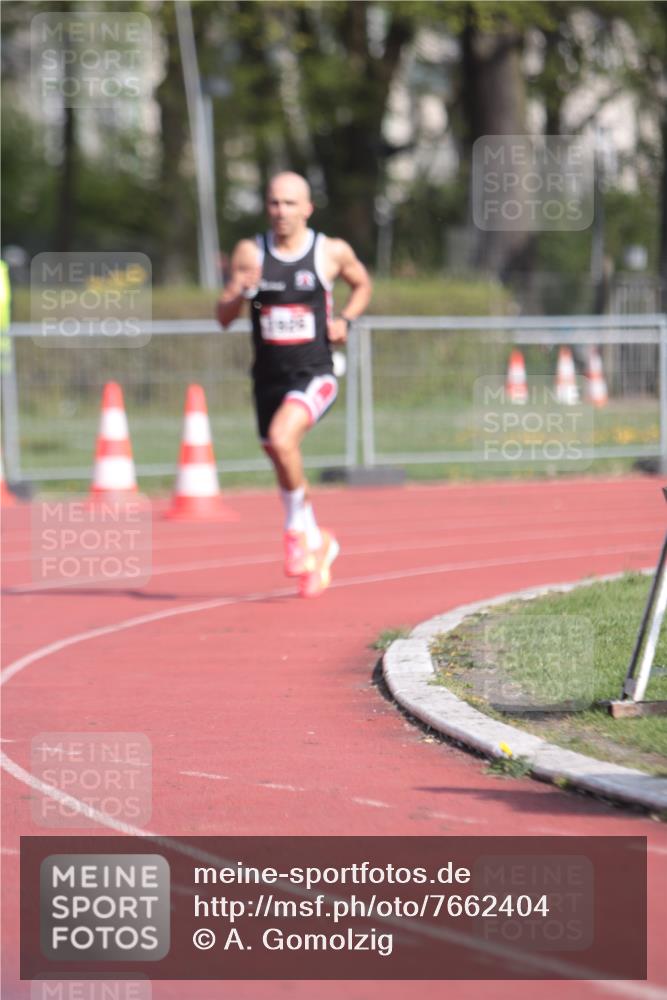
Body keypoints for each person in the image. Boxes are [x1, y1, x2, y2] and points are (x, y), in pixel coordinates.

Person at [217, 172, 372, 597]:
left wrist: (346, 320)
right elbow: (223, 315)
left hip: (315, 373)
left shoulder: (330, 251)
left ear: (307, 208)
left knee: (283, 439)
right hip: (267, 377)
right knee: (279, 451)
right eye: (273, 203)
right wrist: (238, 295)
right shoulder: (251, 252)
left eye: (289, 204)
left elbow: (362, 284)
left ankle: (295, 533)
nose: (281, 212)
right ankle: (317, 541)